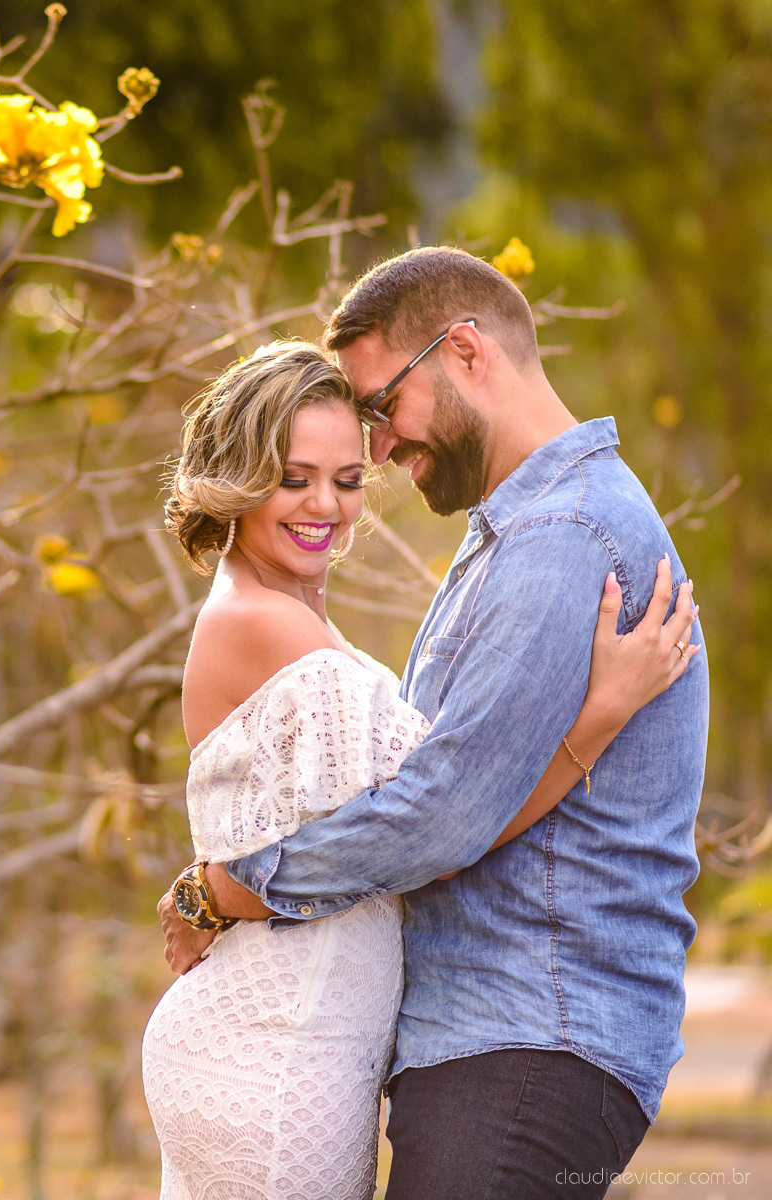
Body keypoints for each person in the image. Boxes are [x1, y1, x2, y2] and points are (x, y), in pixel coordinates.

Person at [159, 248, 710, 1199]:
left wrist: (231, 887)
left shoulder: (559, 537)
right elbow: (437, 799)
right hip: (467, 1038)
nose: (376, 452)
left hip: (530, 1031)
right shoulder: (507, 538)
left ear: (464, 352)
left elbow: (441, 815)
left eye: (381, 409)